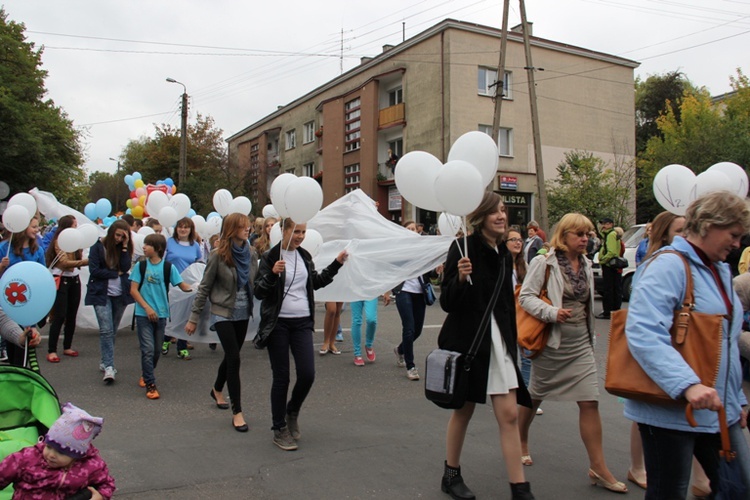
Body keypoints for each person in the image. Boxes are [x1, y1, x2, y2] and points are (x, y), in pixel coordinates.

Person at [624, 191, 750, 499]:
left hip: (718, 409)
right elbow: (643, 332)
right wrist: (687, 385)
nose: (737, 244)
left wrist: (736, 399)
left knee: (739, 489)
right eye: (733, 235)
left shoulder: (718, 269)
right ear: (708, 225)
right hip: (669, 410)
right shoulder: (667, 266)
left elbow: (725, 343)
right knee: (670, 492)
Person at [518, 213, 626, 493]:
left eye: (588, 235)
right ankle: (520, 441)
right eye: (580, 234)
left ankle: (598, 467)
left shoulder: (588, 264)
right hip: (552, 343)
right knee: (533, 396)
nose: (586, 239)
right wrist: (552, 312)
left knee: (590, 401)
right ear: (563, 235)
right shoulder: (545, 262)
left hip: (580, 344)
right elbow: (525, 297)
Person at [438, 192, 534, 500]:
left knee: (508, 415)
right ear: (480, 217)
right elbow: (448, 303)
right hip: (470, 344)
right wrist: (460, 279)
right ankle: (451, 475)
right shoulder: (462, 248)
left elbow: (507, 304)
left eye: (504, 211)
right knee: (463, 410)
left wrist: (515, 345)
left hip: (500, 344)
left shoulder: (505, 254)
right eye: (495, 212)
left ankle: (519, 488)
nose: (502, 216)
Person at [254, 218, 347, 451]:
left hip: (303, 322)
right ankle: (279, 428)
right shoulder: (269, 257)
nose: (301, 236)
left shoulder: (304, 256)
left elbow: (315, 282)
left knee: (308, 374)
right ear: (284, 230)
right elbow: (258, 291)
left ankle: (292, 411)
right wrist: (272, 274)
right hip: (278, 324)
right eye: (296, 231)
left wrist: (336, 263)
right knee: (282, 377)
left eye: (304, 232)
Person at [624, 211, 685, 490]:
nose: (686, 236)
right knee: (645, 408)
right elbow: (641, 313)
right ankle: (637, 466)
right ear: (665, 234)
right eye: (681, 230)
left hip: (683, 347)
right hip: (658, 345)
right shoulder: (654, 265)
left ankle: (699, 478)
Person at [186, 213, 258, 432]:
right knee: (235, 357)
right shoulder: (218, 255)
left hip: (244, 311)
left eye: (248, 226)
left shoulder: (252, 253)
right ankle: (237, 411)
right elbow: (205, 287)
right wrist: (194, 317)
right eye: (243, 226)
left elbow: (258, 281)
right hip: (222, 311)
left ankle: (217, 388)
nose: (247, 230)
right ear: (231, 229)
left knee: (230, 354)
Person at [0, 402, 116, 499]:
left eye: (61, 452)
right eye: (49, 447)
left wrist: (101, 495)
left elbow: (107, 484)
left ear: (77, 455)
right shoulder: (26, 459)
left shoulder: (91, 466)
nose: (51, 455)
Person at [130, 234, 192, 400]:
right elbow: (133, 290)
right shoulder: (141, 266)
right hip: (143, 315)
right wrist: (146, 307)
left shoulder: (168, 268)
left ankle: (146, 373)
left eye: (147, 245)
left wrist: (197, 288)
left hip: (162, 314)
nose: (144, 247)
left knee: (157, 350)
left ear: (157, 248)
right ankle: (151, 384)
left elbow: (182, 285)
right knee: (148, 349)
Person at [84, 220, 134, 384]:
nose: (119, 239)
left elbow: (125, 267)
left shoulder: (123, 247)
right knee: (106, 330)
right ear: (111, 232)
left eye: (123, 236)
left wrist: (125, 247)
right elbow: (94, 270)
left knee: (112, 329)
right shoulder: (97, 247)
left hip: (120, 294)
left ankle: (105, 360)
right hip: (101, 293)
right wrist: (114, 273)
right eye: (118, 235)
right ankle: (110, 367)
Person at [0, 216, 46, 366]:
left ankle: (21, 376)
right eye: (33, 226)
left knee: (25, 346)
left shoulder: (38, 250)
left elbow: (43, 276)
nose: (37, 229)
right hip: (8, 300)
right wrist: (1, 266)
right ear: (22, 228)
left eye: (37, 226)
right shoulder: (4, 248)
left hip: (29, 302)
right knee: (12, 343)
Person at [392, 220, 434, 381]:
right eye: (408, 229)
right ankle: (411, 366)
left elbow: (430, 274)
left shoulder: (423, 250)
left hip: (419, 293)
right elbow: (391, 270)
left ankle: (400, 349)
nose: (411, 231)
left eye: (413, 229)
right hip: (403, 291)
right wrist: (388, 291)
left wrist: (437, 268)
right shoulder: (398, 250)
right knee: (408, 328)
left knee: (417, 330)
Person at [44, 215, 89, 363]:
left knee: (72, 314)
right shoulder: (59, 241)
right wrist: (87, 262)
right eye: (73, 225)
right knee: (59, 315)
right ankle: (52, 350)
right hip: (61, 279)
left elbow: (75, 263)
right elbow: (64, 263)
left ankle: (67, 346)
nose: (76, 228)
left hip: (74, 279)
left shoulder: (76, 242)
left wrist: (80, 250)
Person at [163, 217, 203, 360]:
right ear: (176, 228)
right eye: (180, 226)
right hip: (171, 283)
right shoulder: (170, 242)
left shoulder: (195, 246)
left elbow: (199, 264)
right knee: (172, 313)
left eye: (186, 227)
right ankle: (165, 339)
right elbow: (162, 261)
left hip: (188, 285)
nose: (183, 229)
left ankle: (182, 347)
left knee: (185, 315)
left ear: (191, 229)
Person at [350, 294, 390, 366]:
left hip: (371, 290)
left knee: (371, 320)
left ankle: (369, 345)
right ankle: (357, 353)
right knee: (356, 320)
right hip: (355, 290)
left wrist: (386, 292)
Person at [595, 217, 621, 319]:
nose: (603, 226)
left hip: (609, 265)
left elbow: (611, 252)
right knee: (614, 288)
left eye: (605, 224)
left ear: (611, 224)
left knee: (608, 289)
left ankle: (608, 311)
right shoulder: (610, 235)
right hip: (611, 265)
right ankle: (614, 310)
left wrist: (602, 260)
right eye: (602, 224)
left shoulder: (611, 235)